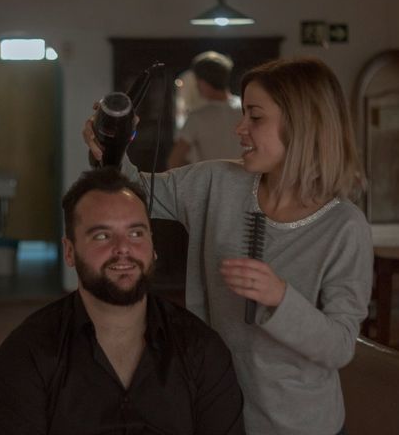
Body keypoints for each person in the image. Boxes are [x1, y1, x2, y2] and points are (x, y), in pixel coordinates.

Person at [84, 57, 373, 434]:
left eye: (255, 117)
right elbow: (135, 194)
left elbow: (339, 346)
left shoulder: (344, 226)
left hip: (300, 425)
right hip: (215, 412)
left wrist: (279, 298)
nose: (240, 129)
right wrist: (113, 147)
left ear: (302, 124)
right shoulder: (216, 182)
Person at [0, 168, 245, 435]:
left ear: (153, 247)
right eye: (102, 236)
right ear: (70, 252)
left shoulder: (201, 350)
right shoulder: (26, 354)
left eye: (136, 233)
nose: (123, 248)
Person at [167, 51, 241, 168]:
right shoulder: (245, 109)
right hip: (244, 181)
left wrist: (197, 173)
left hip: (211, 183)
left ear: (203, 82)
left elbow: (174, 161)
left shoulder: (197, 117)